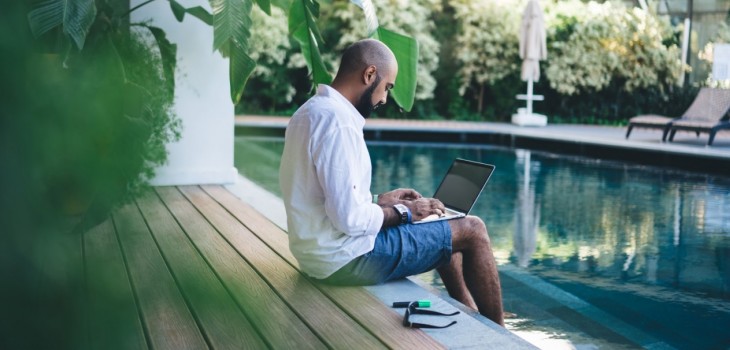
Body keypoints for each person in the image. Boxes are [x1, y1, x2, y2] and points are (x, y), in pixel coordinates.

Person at [279, 39, 504, 325]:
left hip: (318, 254)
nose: (384, 99)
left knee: (441, 228)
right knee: (473, 229)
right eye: (387, 87)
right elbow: (349, 219)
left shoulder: (310, 112)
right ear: (369, 74)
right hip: (346, 259)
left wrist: (380, 201)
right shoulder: (339, 124)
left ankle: (470, 313)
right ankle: (504, 336)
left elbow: (324, 196)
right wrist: (407, 212)